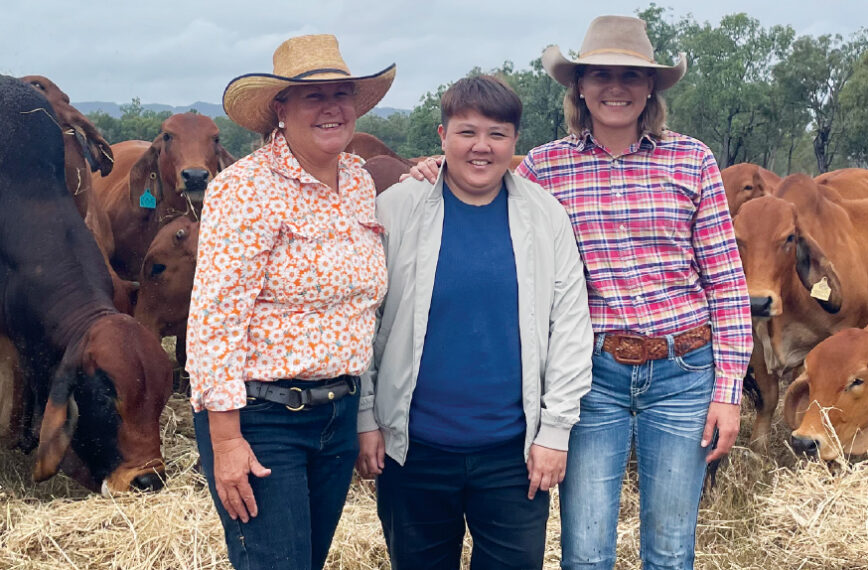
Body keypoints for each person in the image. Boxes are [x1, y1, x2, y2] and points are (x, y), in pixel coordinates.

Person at [408, 16, 753, 570]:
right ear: (581, 88)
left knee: (670, 548)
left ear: (650, 89)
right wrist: (433, 167)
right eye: (600, 75)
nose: (615, 87)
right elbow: (478, 173)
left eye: (630, 76)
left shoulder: (693, 161)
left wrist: (727, 390)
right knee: (586, 550)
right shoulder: (545, 167)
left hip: (684, 371)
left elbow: (727, 282)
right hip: (595, 377)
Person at [356, 75, 594, 570]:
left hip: (513, 453)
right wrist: (366, 417)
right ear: (442, 137)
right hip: (414, 448)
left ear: (514, 143)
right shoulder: (396, 210)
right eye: (467, 132)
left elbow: (570, 326)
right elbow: (362, 321)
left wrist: (555, 431)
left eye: (497, 134)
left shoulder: (546, 216)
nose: (481, 147)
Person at [185, 34, 395, 570]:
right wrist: (226, 440)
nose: (332, 107)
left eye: (341, 93)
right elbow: (215, 321)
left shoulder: (358, 180)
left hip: (337, 416)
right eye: (312, 96)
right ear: (281, 110)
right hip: (263, 420)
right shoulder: (245, 188)